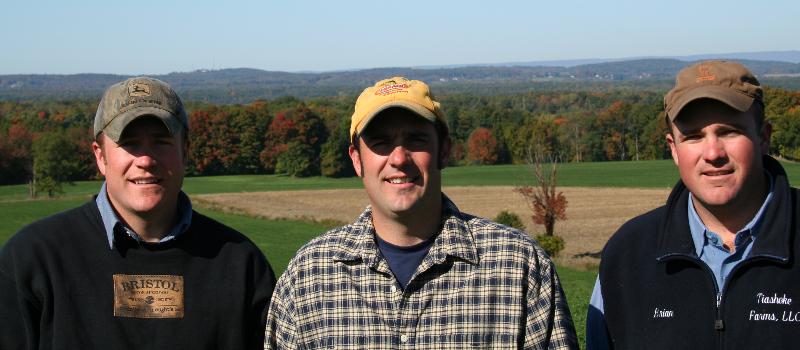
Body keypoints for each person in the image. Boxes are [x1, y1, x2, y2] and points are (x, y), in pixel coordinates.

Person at [265, 76, 578, 349]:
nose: (399, 158)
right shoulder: (308, 277)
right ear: (357, 160)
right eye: (381, 143)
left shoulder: (518, 266)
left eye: (415, 139)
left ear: (443, 150)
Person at [0, 77, 276, 349]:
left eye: (161, 141)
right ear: (100, 156)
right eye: (129, 143)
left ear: (185, 151)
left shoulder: (241, 265)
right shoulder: (32, 259)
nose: (145, 160)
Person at [586, 60, 799, 349]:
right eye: (693, 136)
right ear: (674, 149)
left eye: (729, 131)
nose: (713, 153)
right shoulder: (628, 255)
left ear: (763, 138)